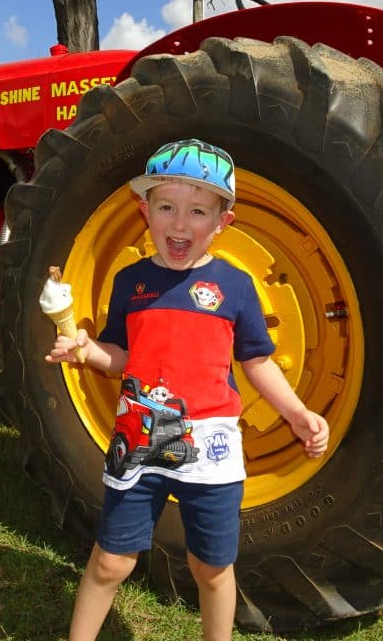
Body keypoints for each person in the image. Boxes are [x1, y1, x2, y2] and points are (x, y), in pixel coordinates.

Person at [45, 138, 330, 641]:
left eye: (198, 211)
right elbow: (122, 357)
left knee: (212, 569)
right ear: (144, 211)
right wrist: (87, 352)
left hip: (212, 448)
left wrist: (297, 412)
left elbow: (257, 362)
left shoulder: (236, 286)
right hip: (139, 440)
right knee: (110, 562)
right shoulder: (131, 281)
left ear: (223, 221)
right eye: (167, 207)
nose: (180, 224)